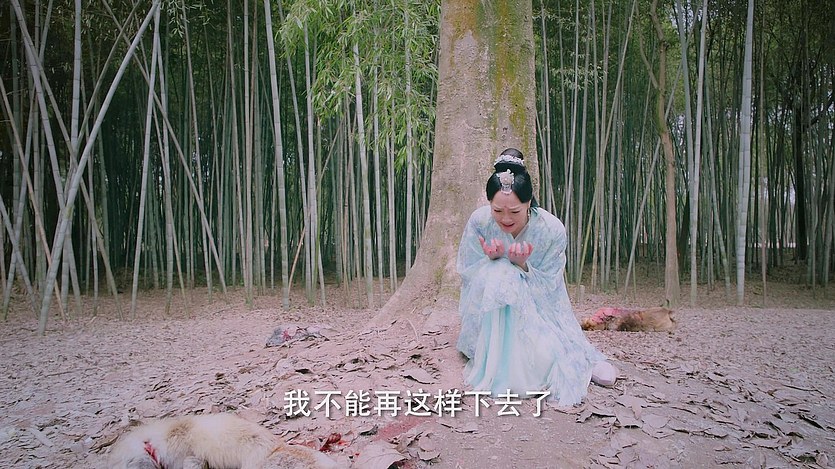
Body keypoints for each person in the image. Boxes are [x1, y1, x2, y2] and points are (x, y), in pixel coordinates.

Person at [456, 147, 616, 406]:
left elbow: (552, 286)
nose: (505, 219)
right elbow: (467, 272)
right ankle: (495, 360)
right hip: (488, 313)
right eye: (497, 211)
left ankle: (562, 359)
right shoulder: (480, 222)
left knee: (553, 351)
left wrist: (522, 267)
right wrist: (492, 261)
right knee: (499, 272)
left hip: (539, 309)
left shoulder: (551, 230)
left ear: (529, 202)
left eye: (514, 212)